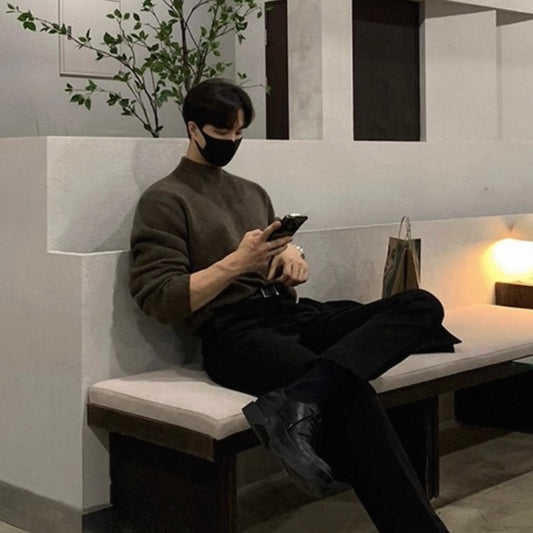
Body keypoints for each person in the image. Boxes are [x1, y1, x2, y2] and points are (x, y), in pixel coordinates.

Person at [129, 78, 459, 533]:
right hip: (234, 332)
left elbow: (268, 253)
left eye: (240, 134)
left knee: (421, 306)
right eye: (222, 133)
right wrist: (237, 262)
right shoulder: (164, 200)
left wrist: (289, 256)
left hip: (291, 314)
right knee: (352, 394)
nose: (232, 142)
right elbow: (160, 299)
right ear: (193, 129)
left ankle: (299, 398)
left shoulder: (252, 192)